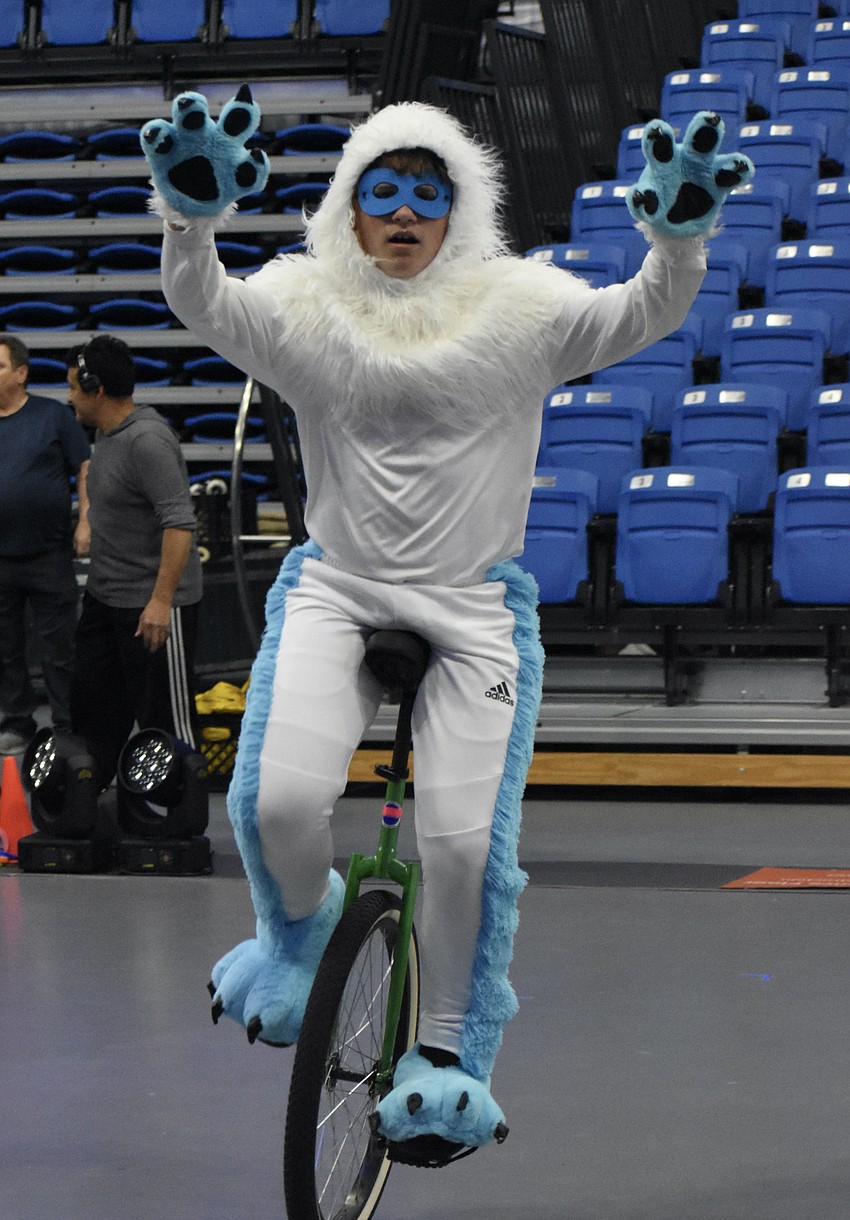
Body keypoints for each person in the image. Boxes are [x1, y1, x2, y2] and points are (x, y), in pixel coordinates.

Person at [141, 90, 753, 1155]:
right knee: (277, 799)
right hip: (339, 589)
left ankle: (447, 1056)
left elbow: (639, 311)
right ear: (350, 210)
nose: (403, 211)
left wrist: (678, 240)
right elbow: (208, 304)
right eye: (382, 192)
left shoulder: (519, 309)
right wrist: (187, 219)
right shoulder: (307, 310)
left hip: (470, 607)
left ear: (458, 207)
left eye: (427, 192)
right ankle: (299, 938)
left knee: (463, 850)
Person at [65, 335, 202, 789]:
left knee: (165, 725)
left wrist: (161, 601)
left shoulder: (148, 440)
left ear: (96, 389)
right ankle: (93, 805)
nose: (69, 399)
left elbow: (180, 523)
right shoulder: (107, 436)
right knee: (92, 710)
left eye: (73, 389)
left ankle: (177, 822)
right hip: (105, 600)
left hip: (152, 608)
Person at [0, 335, 91, 756]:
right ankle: (17, 721)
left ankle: (67, 724)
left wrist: (86, 518)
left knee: (60, 647)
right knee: (5, 647)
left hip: (48, 553)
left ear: (21, 373)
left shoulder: (52, 416)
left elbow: (84, 464)